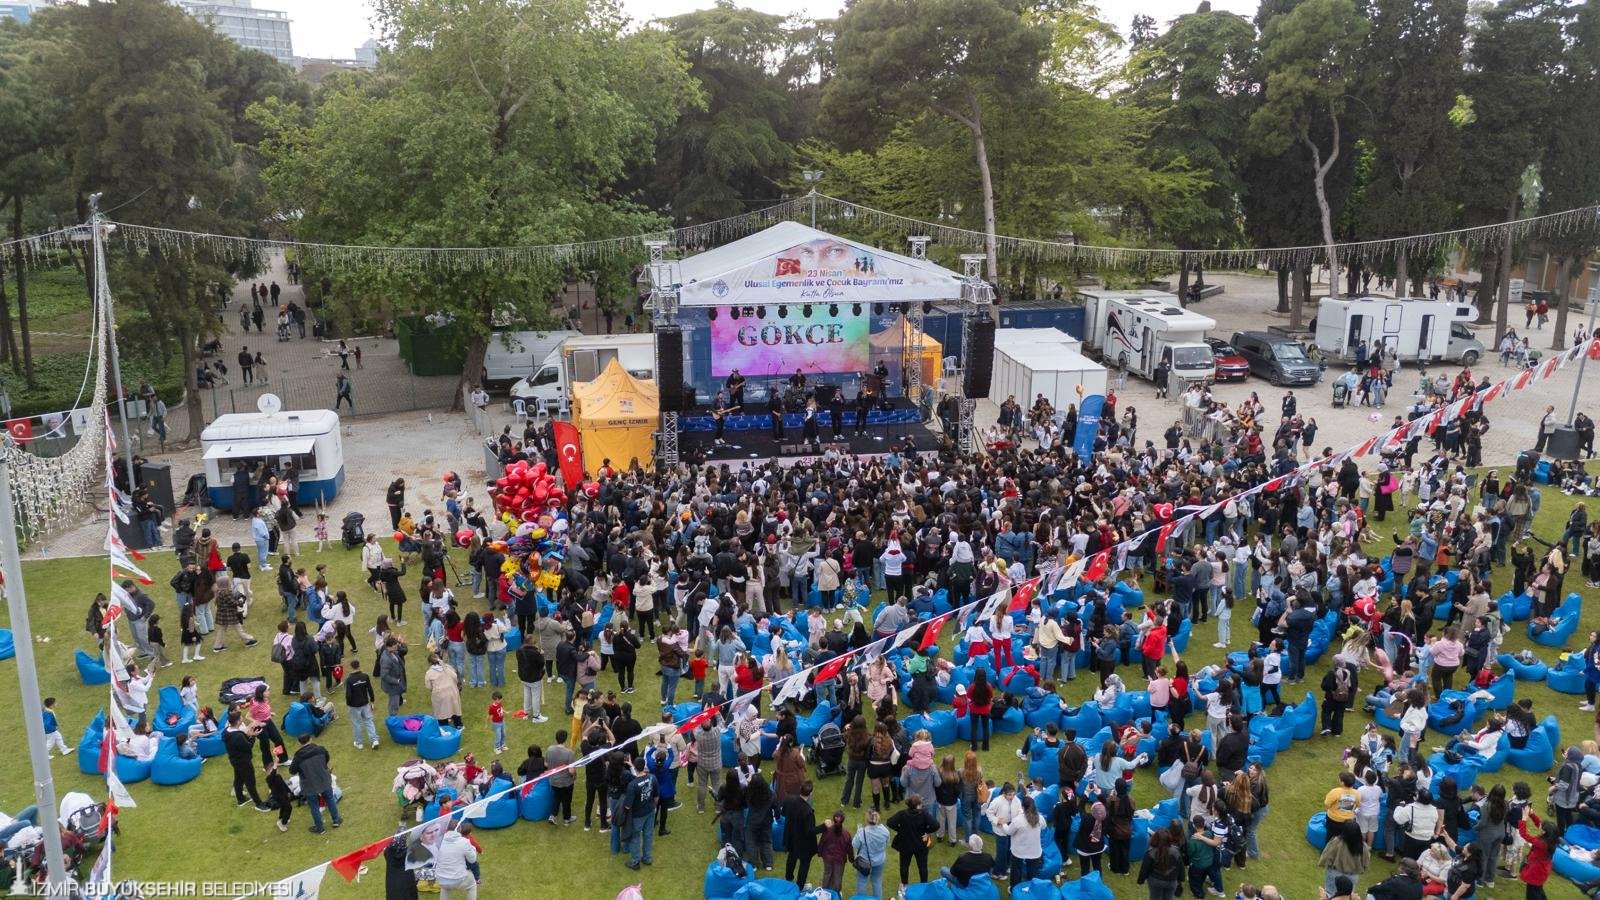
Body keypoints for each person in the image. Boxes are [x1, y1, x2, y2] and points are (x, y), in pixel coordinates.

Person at [288, 734, 341, 834]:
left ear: (299, 743)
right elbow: (327, 758)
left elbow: (292, 771)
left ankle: (320, 828)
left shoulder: (298, 756)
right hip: (324, 779)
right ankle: (336, 820)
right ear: (310, 739)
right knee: (330, 799)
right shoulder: (321, 749)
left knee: (314, 806)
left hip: (309, 784)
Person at [887, 795, 939, 885]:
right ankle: (923, 885)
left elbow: (890, 822)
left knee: (904, 866)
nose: (922, 805)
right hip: (921, 846)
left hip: (905, 845)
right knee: (922, 866)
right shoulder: (924, 814)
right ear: (917, 805)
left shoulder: (902, 814)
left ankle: (904, 885)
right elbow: (936, 825)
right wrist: (927, 831)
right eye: (921, 804)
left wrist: (900, 829)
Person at [781, 780, 819, 888]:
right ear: (811, 793)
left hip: (791, 837)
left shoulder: (789, 800)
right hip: (803, 843)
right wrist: (824, 827)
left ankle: (788, 880)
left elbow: (783, 813)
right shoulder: (808, 811)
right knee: (804, 864)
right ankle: (800, 886)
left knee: (791, 859)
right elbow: (810, 831)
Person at [851, 807, 890, 899]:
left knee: (862, 881)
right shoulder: (885, 830)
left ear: (867, 819)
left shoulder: (862, 832)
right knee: (877, 881)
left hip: (864, 861)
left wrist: (858, 831)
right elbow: (887, 841)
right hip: (879, 861)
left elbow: (854, 844)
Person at [434, 822, 479, 900]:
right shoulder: (464, 842)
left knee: (445, 888)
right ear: (460, 829)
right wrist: (473, 849)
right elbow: (472, 860)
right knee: (472, 886)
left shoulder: (438, 840)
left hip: (441, 878)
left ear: (447, 829)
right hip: (458, 878)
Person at [344, 658, 378, 749]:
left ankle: (359, 743)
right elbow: (370, 689)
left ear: (351, 667)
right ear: (359, 666)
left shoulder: (349, 680)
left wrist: (348, 703)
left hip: (354, 705)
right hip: (365, 703)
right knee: (369, 721)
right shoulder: (365, 676)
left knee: (356, 723)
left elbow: (348, 694)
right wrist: (372, 700)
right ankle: (374, 740)